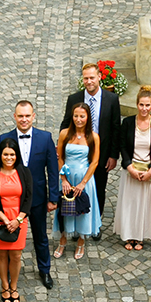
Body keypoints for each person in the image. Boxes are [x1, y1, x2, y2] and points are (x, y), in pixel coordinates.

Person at [0, 101, 59, 289]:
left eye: (27, 116)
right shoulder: (4, 138)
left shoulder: (45, 138)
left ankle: (44, 270)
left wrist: (53, 198)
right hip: (12, 200)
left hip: (38, 198)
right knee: (9, 234)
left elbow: (53, 170)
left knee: (40, 236)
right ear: (14, 116)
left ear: (33, 116)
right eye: (20, 116)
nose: (24, 119)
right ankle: (7, 270)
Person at [61, 63, 120, 237]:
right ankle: (75, 225)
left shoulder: (112, 99)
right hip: (77, 155)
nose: (89, 81)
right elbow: (66, 123)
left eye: (92, 77)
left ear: (99, 77)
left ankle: (95, 224)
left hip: (100, 155)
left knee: (99, 189)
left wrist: (113, 155)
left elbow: (116, 128)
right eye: (85, 78)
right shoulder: (74, 98)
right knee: (74, 189)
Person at [114, 86, 151, 250]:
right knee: (131, 204)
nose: (144, 108)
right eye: (141, 105)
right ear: (137, 104)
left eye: (147, 105)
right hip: (132, 170)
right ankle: (129, 235)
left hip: (150, 171)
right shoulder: (128, 123)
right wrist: (130, 168)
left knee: (146, 205)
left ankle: (141, 236)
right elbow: (122, 146)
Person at [0, 139, 32, 302]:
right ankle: (4, 285)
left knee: (17, 255)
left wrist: (18, 220)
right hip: (0, 219)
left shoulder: (24, 172)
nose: (9, 157)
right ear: (0, 155)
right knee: (2, 253)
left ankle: (14, 286)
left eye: (12, 154)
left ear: (16, 155)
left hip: (19, 219)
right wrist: (5, 220)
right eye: (5, 154)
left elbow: (28, 198)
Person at [53, 101, 100, 261]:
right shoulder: (64, 134)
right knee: (65, 208)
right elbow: (60, 158)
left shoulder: (93, 137)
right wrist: (63, 179)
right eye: (76, 116)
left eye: (82, 116)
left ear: (87, 117)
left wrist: (83, 183)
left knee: (82, 209)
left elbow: (94, 162)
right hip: (67, 177)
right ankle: (63, 239)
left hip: (84, 179)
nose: (78, 119)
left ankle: (81, 241)